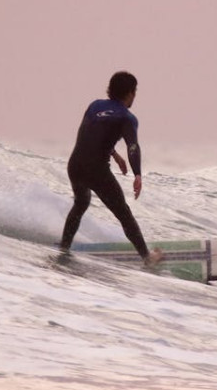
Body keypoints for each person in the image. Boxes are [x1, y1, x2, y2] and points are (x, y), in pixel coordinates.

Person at [60, 71, 163, 267]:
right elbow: (132, 146)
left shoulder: (95, 106)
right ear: (130, 93)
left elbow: (91, 135)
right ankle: (147, 257)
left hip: (75, 165)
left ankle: (64, 247)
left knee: (81, 203)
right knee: (123, 213)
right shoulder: (126, 117)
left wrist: (114, 154)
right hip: (96, 171)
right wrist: (138, 174)